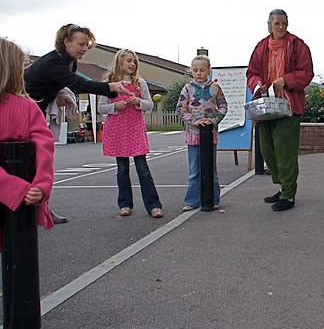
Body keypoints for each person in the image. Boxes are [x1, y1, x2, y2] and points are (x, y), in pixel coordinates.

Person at [24, 24, 132, 223]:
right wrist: (110, 87)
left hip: (35, 112)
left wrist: (56, 98)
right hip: (21, 114)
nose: (84, 49)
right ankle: (32, 209)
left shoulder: (69, 63)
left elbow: (58, 84)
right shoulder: (53, 63)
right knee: (30, 161)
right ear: (66, 42)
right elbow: (78, 84)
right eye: (81, 44)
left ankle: (39, 208)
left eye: (87, 45)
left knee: (37, 161)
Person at [246, 9, 314, 211]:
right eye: (277, 24)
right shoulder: (260, 46)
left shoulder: (298, 45)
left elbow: (306, 73)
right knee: (268, 150)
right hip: (266, 106)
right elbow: (251, 73)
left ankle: (289, 194)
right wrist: (258, 84)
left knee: (284, 150)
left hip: (289, 106)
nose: (281, 27)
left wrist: (287, 80)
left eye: (284, 23)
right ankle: (283, 186)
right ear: (269, 25)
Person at [0, 38, 55, 241]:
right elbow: (45, 149)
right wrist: (40, 186)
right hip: (23, 199)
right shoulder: (27, 107)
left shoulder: (27, 107)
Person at [98, 49, 163, 218]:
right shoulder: (110, 83)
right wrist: (114, 107)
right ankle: (125, 204)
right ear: (119, 62)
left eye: (134, 61)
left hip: (135, 129)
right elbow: (101, 107)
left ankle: (153, 205)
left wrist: (139, 102)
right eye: (128, 61)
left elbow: (149, 104)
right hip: (117, 130)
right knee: (122, 169)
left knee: (143, 169)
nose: (132, 64)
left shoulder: (140, 82)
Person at [176, 55, 228, 211]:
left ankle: (213, 198)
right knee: (194, 170)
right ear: (191, 71)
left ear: (209, 71)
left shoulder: (215, 88)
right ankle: (192, 200)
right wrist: (194, 121)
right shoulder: (187, 89)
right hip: (193, 134)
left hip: (210, 134)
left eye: (202, 70)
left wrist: (213, 121)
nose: (198, 73)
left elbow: (223, 106)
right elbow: (180, 109)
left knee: (211, 168)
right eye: (195, 70)